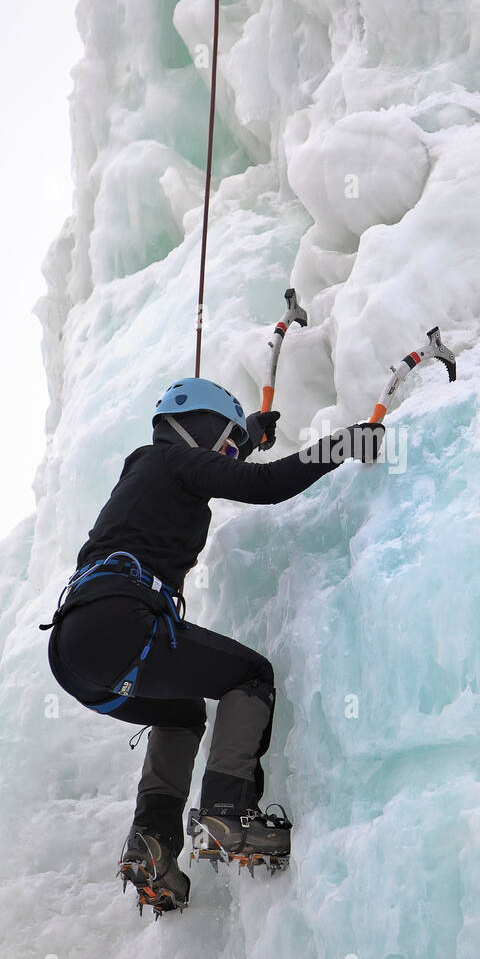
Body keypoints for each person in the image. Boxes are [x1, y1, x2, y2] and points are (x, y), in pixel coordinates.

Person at [41, 377, 384, 914]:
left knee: (180, 714)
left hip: (74, 653)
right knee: (250, 676)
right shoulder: (170, 459)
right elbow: (265, 484)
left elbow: (219, 462)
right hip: (119, 624)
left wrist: (245, 436)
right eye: (222, 438)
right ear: (195, 427)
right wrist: (344, 442)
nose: (227, 450)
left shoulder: (152, 466)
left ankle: (152, 845)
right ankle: (227, 814)